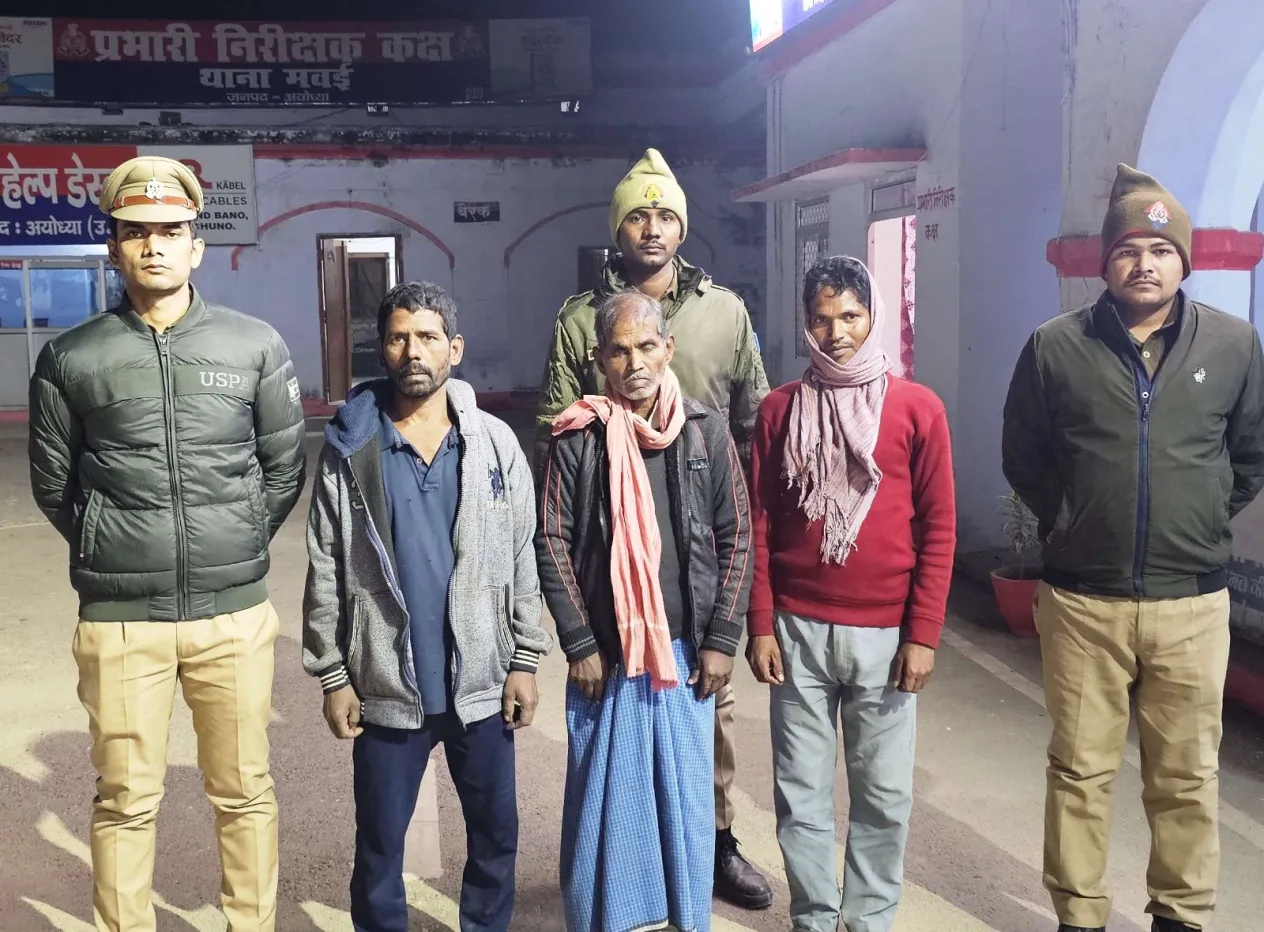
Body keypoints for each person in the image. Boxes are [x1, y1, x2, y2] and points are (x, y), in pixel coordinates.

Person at [27, 156, 307, 932]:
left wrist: (234, 544)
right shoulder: (72, 357)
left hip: (233, 618)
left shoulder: (253, 346)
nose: (154, 245)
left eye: (171, 231)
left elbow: (284, 467)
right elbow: (54, 485)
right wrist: (111, 549)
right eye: (136, 232)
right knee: (125, 799)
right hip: (121, 623)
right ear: (114, 247)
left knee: (244, 790)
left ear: (197, 245)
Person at [1002, 164, 1264, 932]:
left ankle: (1179, 915)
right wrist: (1074, 519)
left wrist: (1200, 519)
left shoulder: (1235, 344)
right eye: (1128, 250)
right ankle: (1079, 916)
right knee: (1079, 770)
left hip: (1192, 605)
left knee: (1186, 775)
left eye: (1160, 249)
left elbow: (1250, 456)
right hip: (1083, 603)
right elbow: (1024, 456)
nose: (1144, 263)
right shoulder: (1056, 347)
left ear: (1184, 259)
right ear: (1105, 261)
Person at [535, 148, 772, 909]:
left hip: (693, 556)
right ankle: (616, 892)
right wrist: (579, 632)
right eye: (637, 215)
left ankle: (713, 850)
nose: (652, 227)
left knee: (705, 739)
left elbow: (751, 426)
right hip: (612, 572)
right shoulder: (579, 316)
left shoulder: (724, 312)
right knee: (610, 761)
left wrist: (727, 625)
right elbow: (557, 456)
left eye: (665, 214)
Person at [303, 281, 551, 932]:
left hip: (482, 683)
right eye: (398, 338)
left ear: (455, 348)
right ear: (382, 350)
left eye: (428, 337)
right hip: (388, 686)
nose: (413, 351)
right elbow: (325, 563)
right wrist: (333, 675)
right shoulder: (351, 450)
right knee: (379, 847)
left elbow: (522, 554)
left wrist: (525, 659)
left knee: (495, 836)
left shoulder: (494, 443)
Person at [746, 256, 956, 932]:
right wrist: (760, 623)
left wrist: (923, 635)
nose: (835, 332)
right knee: (800, 795)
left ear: (874, 316)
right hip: (796, 631)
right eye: (821, 319)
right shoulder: (779, 410)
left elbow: (939, 527)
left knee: (884, 797)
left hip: (887, 636)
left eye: (850, 316)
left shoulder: (918, 409)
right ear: (804, 324)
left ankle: (868, 920)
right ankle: (814, 917)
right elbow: (760, 520)